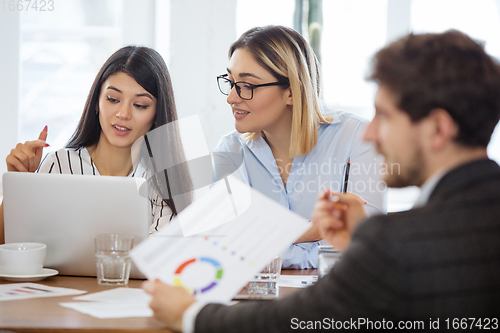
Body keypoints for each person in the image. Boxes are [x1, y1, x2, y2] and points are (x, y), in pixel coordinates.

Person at [142, 29, 500, 332]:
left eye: (385, 116)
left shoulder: (400, 241)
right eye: (231, 82)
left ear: (438, 128)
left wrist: (189, 314)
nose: (371, 133)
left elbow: (300, 321)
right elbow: (222, 243)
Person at [213, 25, 386, 269]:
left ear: (292, 92)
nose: (231, 97)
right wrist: (312, 231)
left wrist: (264, 244)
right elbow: (225, 247)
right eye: (230, 82)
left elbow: (368, 244)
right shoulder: (230, 150)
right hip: (252, 301)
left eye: (247, 85)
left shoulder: (357, 138)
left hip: (337, 300)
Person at [0, 46, 193, 244]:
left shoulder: (164, 178)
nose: (123, 114)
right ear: (96, 102)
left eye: (140, 105)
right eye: (113, 99)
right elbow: (12, 247)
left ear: (157, 114)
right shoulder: (59, 165)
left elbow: (159, 259)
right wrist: (18, 185)